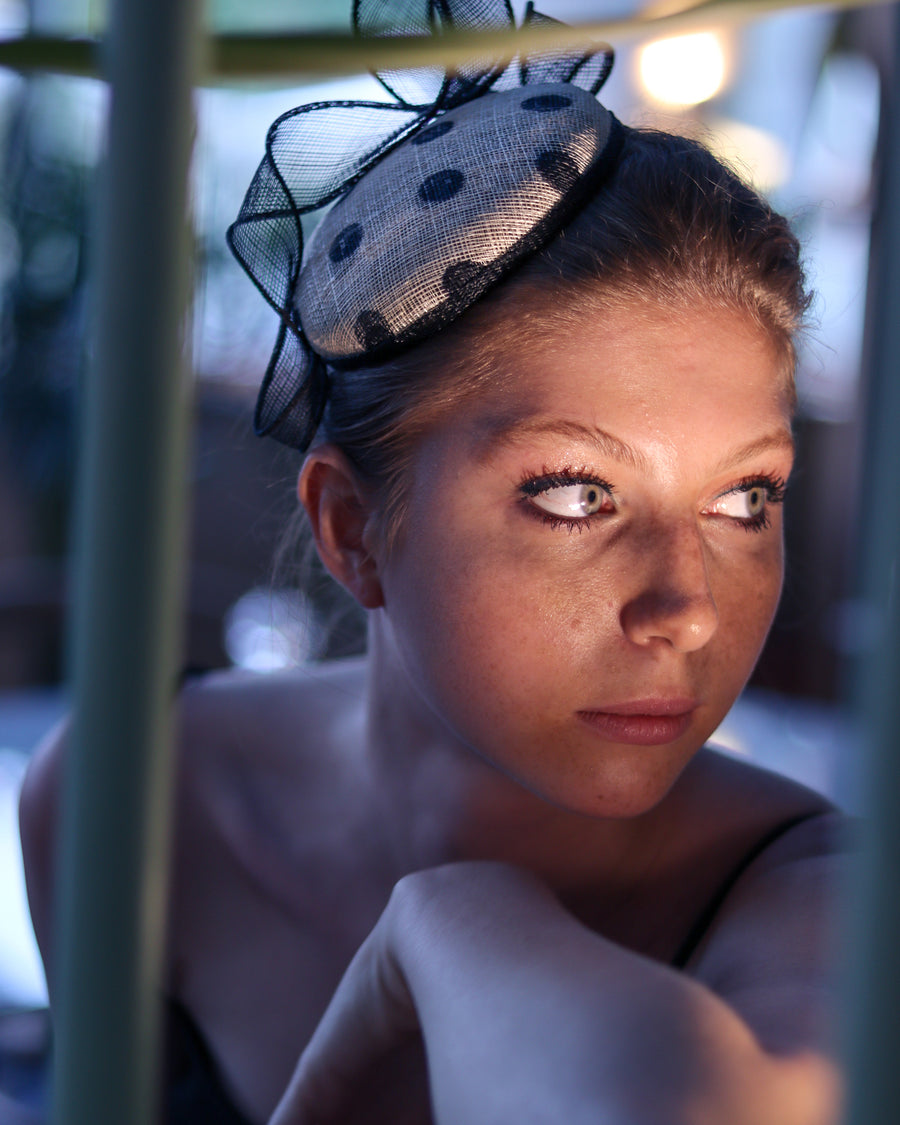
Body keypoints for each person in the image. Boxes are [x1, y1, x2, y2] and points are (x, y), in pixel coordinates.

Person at [19, 2, 849, 1123]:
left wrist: (453, 922)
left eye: (746, 498)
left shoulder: (820, 893)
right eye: (575, 495)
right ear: (354, 530)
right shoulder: (134, 800)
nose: (687, 609)